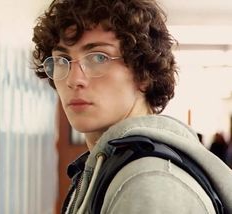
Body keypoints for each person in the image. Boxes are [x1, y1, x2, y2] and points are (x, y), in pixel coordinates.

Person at [32, 0, 232, 213]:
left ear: (143, 73)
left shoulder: (151, 184)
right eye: (62, 59)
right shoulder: (110, 167)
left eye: (98, 57)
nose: (73, 79)